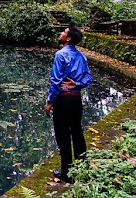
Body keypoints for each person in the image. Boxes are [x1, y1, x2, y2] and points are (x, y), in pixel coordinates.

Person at [45, 25, 93, 184]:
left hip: (63, 99)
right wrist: (77, 84)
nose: (61, 33)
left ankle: (66, 174)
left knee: (63, 136)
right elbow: (89, 78)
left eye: (64, 32)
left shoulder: (60, 55)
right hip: (76, 99)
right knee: (77, 132)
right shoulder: (81, 56)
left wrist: (50, 101)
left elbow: (55, 81)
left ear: (69, 38)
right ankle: (82, 169)